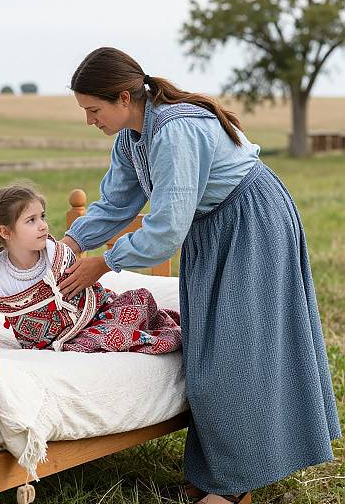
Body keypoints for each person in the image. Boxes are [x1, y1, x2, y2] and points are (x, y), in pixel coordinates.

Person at [58, 47, 341, 504]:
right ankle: (220, 475)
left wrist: (105, 263)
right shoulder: (132, 138)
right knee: (208, 352)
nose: (89, 120)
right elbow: (116, 204)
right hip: (213, 231)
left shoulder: (176, 130)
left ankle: (234, 487)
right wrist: (69, 245)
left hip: (249, 223)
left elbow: (167, 229)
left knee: (236, 352)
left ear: (124, 98)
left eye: (93, 109)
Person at [0, 184, 181, 354]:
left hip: (94, 316)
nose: (43, 226)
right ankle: (80, 343)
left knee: (138, 301)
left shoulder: (56, 254)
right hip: (46, 341)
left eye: (42, 217)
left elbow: (88, 294)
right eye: (31, 220)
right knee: (95, 340)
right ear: (5, 232)